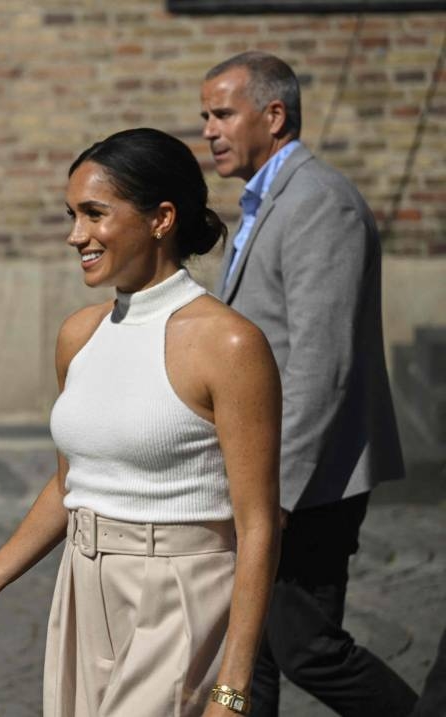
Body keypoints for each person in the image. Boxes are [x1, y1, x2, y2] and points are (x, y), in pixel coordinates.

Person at [0, 128, 282, 716]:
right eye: (72, 215)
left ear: (161, 218)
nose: (76, 235)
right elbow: (71, 485)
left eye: (95, 214)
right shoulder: (79, 334)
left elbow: (259, 525)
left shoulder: (231, 344)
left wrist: (233, 689)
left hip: (181, 597)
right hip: (82, 592)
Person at [200, 51, 417, 716]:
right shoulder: (264, 204)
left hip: (311, 481)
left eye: (222, 113)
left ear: (274, 114)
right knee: (253, 647)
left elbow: (322, 364)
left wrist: (276, 491)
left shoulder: (320, 203)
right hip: (263, 473)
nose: (208, 129)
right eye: (204, 115)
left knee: (306, 646)